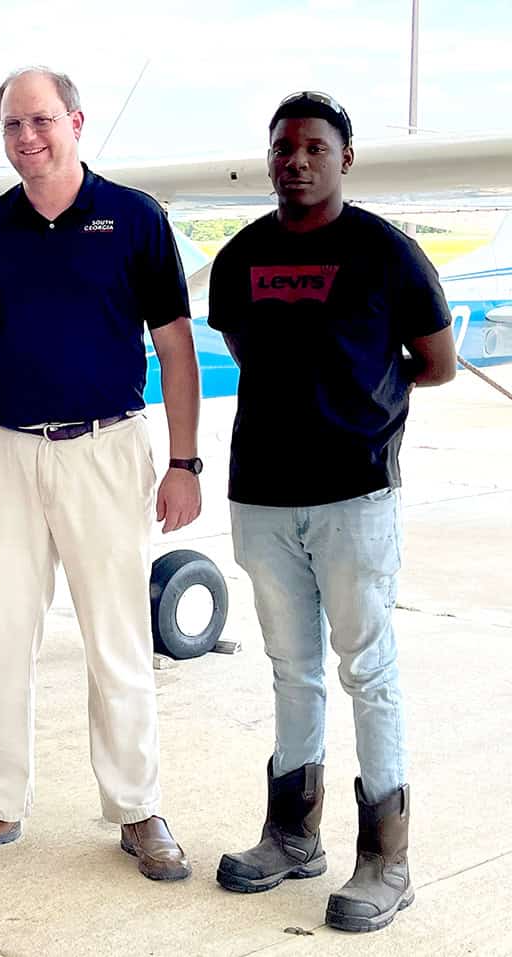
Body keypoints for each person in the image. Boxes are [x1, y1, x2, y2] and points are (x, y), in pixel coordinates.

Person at [0, 67, 202, 880]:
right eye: (11, 125)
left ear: (77, 121)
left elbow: (176, 349)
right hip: (5, 449)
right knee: (3, 634)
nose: (26, 138)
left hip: (107, 449)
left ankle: (138, 807)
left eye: (41, 121)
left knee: (117, 638)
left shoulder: (136, 220)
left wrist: (182, 461)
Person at [208, 92, 456, 932]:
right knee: (291, 667)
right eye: (284, 146)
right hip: (265, 497)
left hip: (357, 495)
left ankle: (388, 857)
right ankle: (290, 833)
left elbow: (436, 361)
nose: (298, 159)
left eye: (315, 146)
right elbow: (247, 345)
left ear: (344, 158)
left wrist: (359, 407)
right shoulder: (241, 256)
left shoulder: (387, 253)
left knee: (368, 669)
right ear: (270, 157)